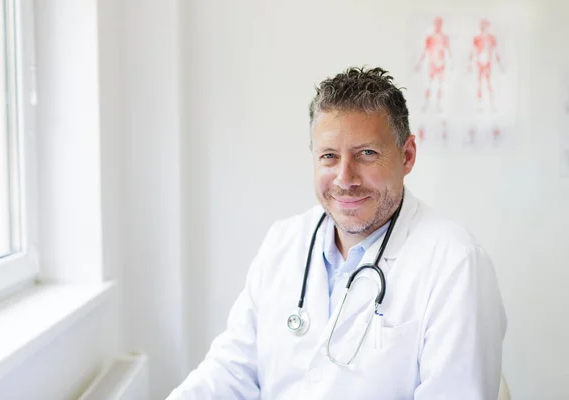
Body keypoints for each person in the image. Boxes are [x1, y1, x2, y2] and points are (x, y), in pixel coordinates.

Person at [168, 67, 507, 399]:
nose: (345, 178)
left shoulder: (456, 264)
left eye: (367, 154)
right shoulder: (283, 242)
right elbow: (232, 370)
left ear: (407, 156)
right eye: (329, 156)